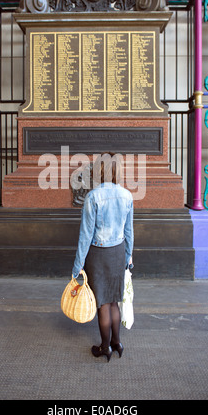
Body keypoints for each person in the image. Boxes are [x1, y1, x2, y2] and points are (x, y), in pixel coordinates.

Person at [72, 152, 134, 362]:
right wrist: (128, 256)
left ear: (99, 171)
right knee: (114, 301)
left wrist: (77, 265)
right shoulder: (127, 195)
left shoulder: (93, 197)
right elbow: (129, 231)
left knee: (103, 304)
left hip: (98, 254)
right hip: (117, 252)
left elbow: (85, 235)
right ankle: (118, 343)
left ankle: (105, 347)